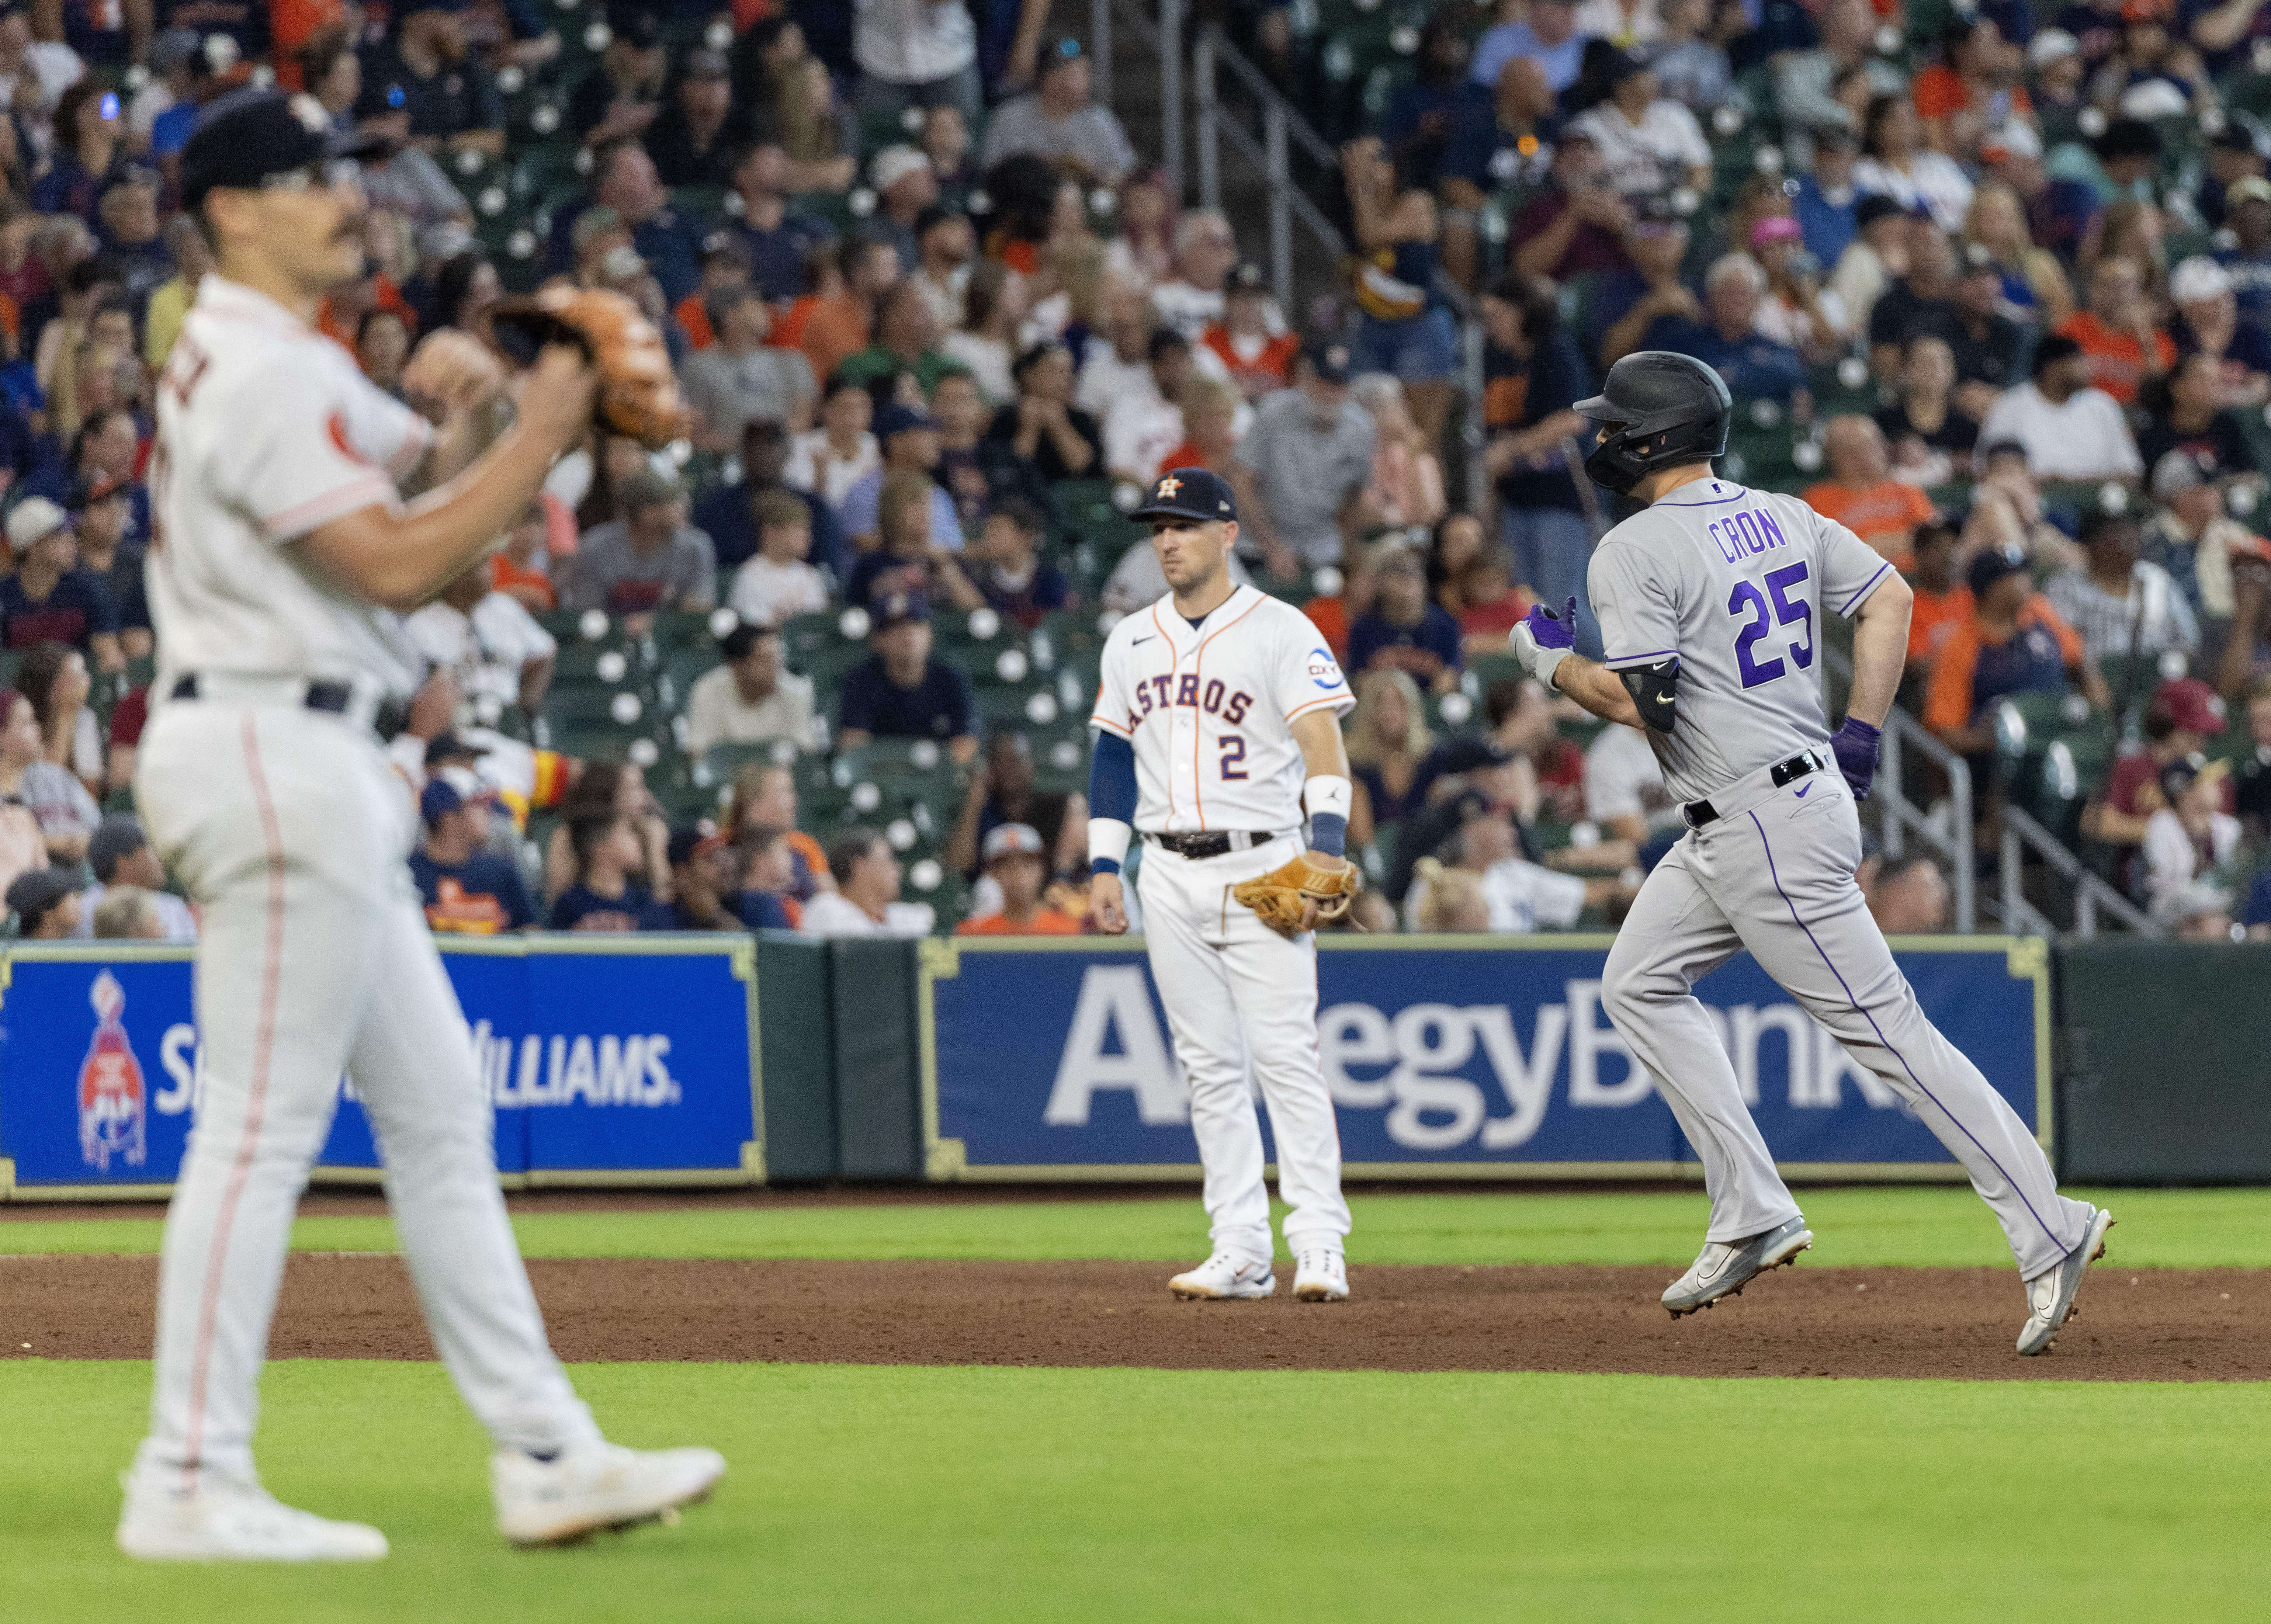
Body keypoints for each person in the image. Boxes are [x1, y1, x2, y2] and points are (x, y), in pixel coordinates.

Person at [119, 94, 721, 1562]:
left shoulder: (277, 361)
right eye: (309, 178)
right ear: (230, 211)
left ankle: (545, 1453)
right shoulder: (260, 370)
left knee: (444, 1114)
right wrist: (546, 425)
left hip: (310, 742)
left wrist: (477, 424)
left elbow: (430, 530)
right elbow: (402, 566)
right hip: (270, 737)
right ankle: (187, 1476)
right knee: (258, 1132)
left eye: (346, 175)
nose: (344, 199)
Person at [1504, 347, 2115, 1353]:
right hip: (1756, 808)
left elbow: (1639, 703)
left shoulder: (1632, 546)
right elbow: (1889, 601)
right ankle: (1748, 1204)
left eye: (1615, 426)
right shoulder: (1781, 513)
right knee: (1636, 982)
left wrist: (1543, 657)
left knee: (1892, 1038)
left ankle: (2048, 1224)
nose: (1600, 439)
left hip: (1757, 820)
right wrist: (1860, 733)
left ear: (1652, 437)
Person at [1086, 466, 1358, 1304]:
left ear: (1227, 534)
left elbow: (1320, 743)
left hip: (1261, 861)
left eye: (1184, 524)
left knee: (1284, 1058)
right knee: (1206, 1066)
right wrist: (1104, 864)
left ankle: (1317, 1244)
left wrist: (1323, 847)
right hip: (1163, 866)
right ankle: (1238, 1247)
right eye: (1157, 526)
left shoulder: (1279, 629)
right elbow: (1110, 756)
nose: (1166, 539)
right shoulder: (1130, 637)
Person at [1923, 545, 2108, 756]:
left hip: (2060, 744)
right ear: (1989, 588)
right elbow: (1946, 731)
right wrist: (1995, 739)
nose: (2025, 580)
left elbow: (2083, 664)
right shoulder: (1959, 645)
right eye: (2013, 576)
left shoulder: (2039, 612)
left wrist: (2099, 719)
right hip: (2001, 761)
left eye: (2024, 572)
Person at [1228, 340, 1378, 579]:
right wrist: (1272, 545)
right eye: (1324, 381)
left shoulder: (1361, 428)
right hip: (1258, 542)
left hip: (1322, 544)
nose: (1331, 392)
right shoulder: (1274, 412)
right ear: (1306, 379)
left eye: (1339, 384)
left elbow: (1356, 495)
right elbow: (1241, 479)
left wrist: (1351, 549)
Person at [2043, 510, 2201, 671]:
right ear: (2092, 544)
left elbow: (2189, 642)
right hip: (2091, 681)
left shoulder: (2158, 581)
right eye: (2114, 536)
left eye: (2130, 534)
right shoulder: (2065, 586)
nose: (2125, 543)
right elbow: (2059, 647)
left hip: (2154, 679)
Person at [1975, 334, 2143, 482]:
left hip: (2099, 510)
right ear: (2053, 368)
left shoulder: (2102, 405)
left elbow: (2131, 472)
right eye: (2077, 361)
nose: (2087, 368)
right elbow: (1985, 468)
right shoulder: (2011, 405)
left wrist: (2082, 485)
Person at [835, 592, 978, 761]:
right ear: (878, 640)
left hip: (938, 779)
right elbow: (853, 747)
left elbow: (966, 746)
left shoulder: (950, 679)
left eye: (917, 624)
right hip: (881, 779)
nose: (908, 633)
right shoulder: (861, 680)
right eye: (896, 627)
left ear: (930, 635)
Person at [977, 35, 1134, 185]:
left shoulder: (1099, 119)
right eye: (1076, 74)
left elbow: (1127, 174)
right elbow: (989, 170)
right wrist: (1049, 165)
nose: (1086, 83)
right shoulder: (1011, 116)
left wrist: (1092, 172)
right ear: (1050, 79)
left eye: (1086, 73)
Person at [565, 469, 719, 618]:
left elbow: (700, 608)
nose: (681, 507)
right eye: (671, 502)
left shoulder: (695, 547)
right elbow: (587, 613)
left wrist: (654, 623)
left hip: (672, 639)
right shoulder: (597, 545)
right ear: (647, 513)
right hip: (610, 640)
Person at [680, 285, 816, 452]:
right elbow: (697, 433)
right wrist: (749, 453)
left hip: (788, 462)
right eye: (756, 304)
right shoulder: (697, 367)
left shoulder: (791, 361)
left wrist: (767, 451)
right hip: (726, 467)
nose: (766, 309)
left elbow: (804, 418)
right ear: (729, 315)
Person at [1, 495, 122, 668]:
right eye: (60, 535)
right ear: (33, 546)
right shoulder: (5, 597)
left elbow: (108, 651)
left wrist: (110, 656)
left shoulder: (88, 588)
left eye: (71, 533)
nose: (72, 541)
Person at [1801, 417, 1937, 569]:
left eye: (1880, 442)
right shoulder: (1817, 499)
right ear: (1844, 458)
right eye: (1871, 445)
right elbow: (1830, 558)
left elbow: (1933, 542)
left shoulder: (1907, 489)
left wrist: (1872, 543)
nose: (1883, 451)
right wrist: (1900, 540)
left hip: (1917, 584)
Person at [408, 775, 536, 934]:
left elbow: (533, 935)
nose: (489, 812)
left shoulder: (500, 873)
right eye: (478, 805)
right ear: (450, 819)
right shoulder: (408, 877)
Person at [684, 621, 819, 757]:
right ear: (738, 666)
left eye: (777, 658)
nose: (776, 668)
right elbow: (699, 755)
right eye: (765, 660)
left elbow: (805, 757)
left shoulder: (796, 693)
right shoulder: (708, 690)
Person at [2056, 255, 2173, 407]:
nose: (2115, 293)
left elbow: (2160, 395)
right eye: (2106, 285)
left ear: (2139, 292)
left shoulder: (2157, 340)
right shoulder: (2072, 329)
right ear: (2093, 290)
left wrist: (2144, 337)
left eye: (2124, 286)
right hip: (2080, 411)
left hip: (2135, 415)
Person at [1347, 540, 1463, 693]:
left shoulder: (1446, 625)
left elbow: (1448, 681)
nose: (1409, 581)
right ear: (1382, 582)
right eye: (1400, 572)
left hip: (1428, 709)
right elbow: (1360, 681)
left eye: (1415, 573)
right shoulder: (1364, 627)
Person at [1342, 667, 1433, 852]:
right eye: (1381, 703)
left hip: (1424, 858)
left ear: (1411, 708)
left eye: (1398, 702)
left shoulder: (1429, 758)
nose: (1390, 711)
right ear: (1368, 712)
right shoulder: (1353, 764)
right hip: (1370, 862)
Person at [69, 814, 198, 941]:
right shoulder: (82, 913)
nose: (159, 858)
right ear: (124, 862)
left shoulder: (174, 907)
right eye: (149, 850)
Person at [2140, 754, 2238, 908]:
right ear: (2184, 792)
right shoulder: (2162, 825)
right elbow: (2166, 886)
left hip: (2219, 912)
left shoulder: (2229, 827)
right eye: (2207, 782)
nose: (2217, 786)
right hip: (2171, 915)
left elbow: (2236, 880)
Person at [797, 827, 934, 936]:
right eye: (888, 859)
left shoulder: (900, 916)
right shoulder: (827, 907)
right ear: (859, 865)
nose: (897, 867)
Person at [550, 811, 676, 930]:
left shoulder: (644, 903)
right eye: (629, 833)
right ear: (602, 847)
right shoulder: (569, 904)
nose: (639, 841)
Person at [725, 491, 831, 629]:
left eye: (807, 529)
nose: (807, 537)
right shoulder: (750, 576)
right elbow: (751, 632)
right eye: (798, 528)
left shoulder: (812, 576)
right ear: (771, 532)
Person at [956, 821, 1081, 934]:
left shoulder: (1070, 930)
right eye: (1007, 864)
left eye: (1028, 863)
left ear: (1041, 869)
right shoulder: (974, 934)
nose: (1019, 872)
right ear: (993, 873)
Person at [967, 496, 1073, 628]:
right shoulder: (981, 579)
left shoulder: (1050, 578)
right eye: (988, 532)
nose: (989, 539)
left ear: (1024, 537)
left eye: (998, 532)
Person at [785, 372, 881, 513]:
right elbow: (798, 504)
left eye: (862, 407)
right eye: (847, 407)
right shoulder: (800, 446)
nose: (855, 415)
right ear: (827, 410)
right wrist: (820, 478)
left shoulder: (871, 444)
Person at [6, 867, 79, 937]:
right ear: (47, 912)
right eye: (67, 894)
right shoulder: (22, 948)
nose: (77, 899)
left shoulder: (76, 943)